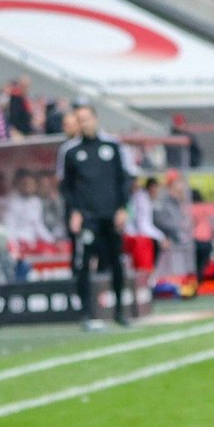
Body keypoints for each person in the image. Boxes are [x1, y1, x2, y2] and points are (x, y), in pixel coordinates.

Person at [58, 106, 134, 328]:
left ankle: (120, 311)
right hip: (87, 216)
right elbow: (66, 187)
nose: (84, 124)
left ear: (95, 119)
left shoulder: (112, 145)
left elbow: (124, 179)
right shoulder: (70, 151)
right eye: (79, 120)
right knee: (83, 264)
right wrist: (75, 211)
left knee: (116, 262)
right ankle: (86, 314)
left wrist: (122, 208)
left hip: (111, 215)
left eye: (87, 119)